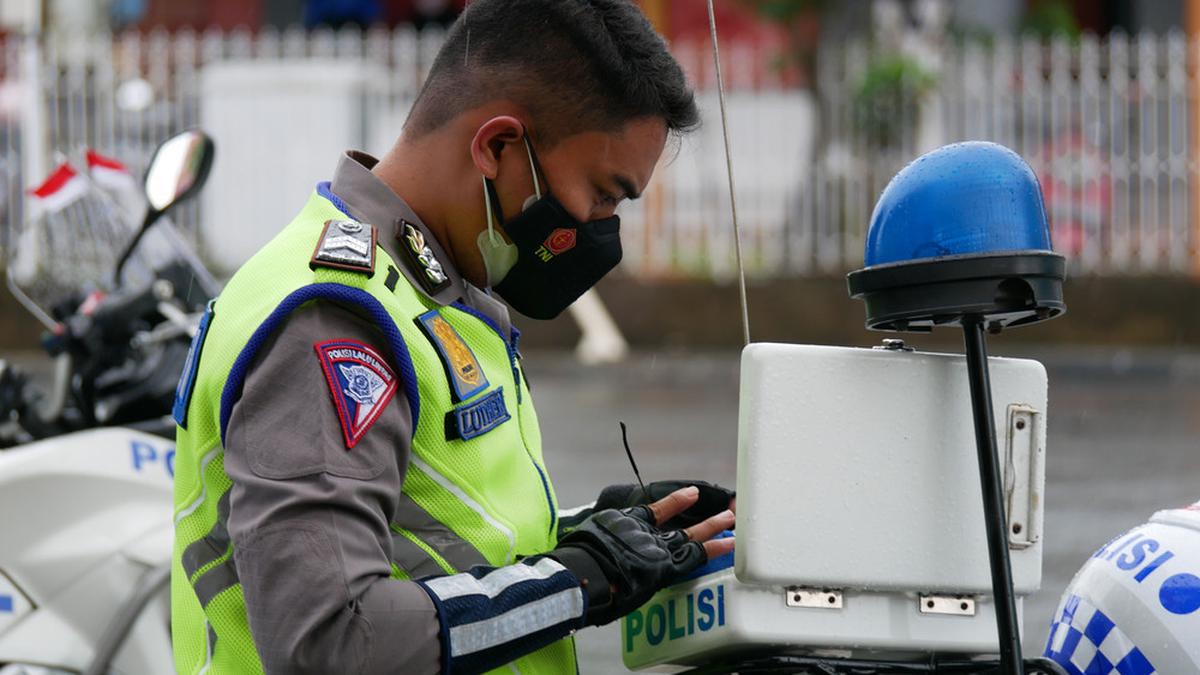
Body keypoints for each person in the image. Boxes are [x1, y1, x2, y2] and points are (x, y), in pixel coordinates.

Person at [169, 1, 736, 673]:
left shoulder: (425, 293)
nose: (600, 226)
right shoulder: (333, 320)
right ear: (497, 147)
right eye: (603, 194)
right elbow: (329, 638)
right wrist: (581, 578)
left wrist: (599, 533)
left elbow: (427, 539)